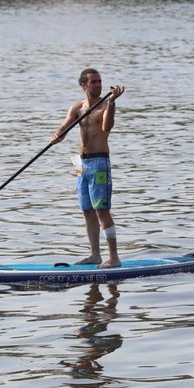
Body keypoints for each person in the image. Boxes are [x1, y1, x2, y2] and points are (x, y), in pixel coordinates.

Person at [51, 68, 126, 268]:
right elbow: (64, 127)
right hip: (80, 164)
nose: (98, 85)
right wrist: (57, 135)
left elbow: (107, 127)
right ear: (84, 85)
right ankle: (95, 254)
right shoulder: (77, 107)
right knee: (87, 210)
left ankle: (114, 257)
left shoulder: (104, 106)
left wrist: (111, 103)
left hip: (99, 163)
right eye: (93, 82)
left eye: (99, 81)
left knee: (102, 210)